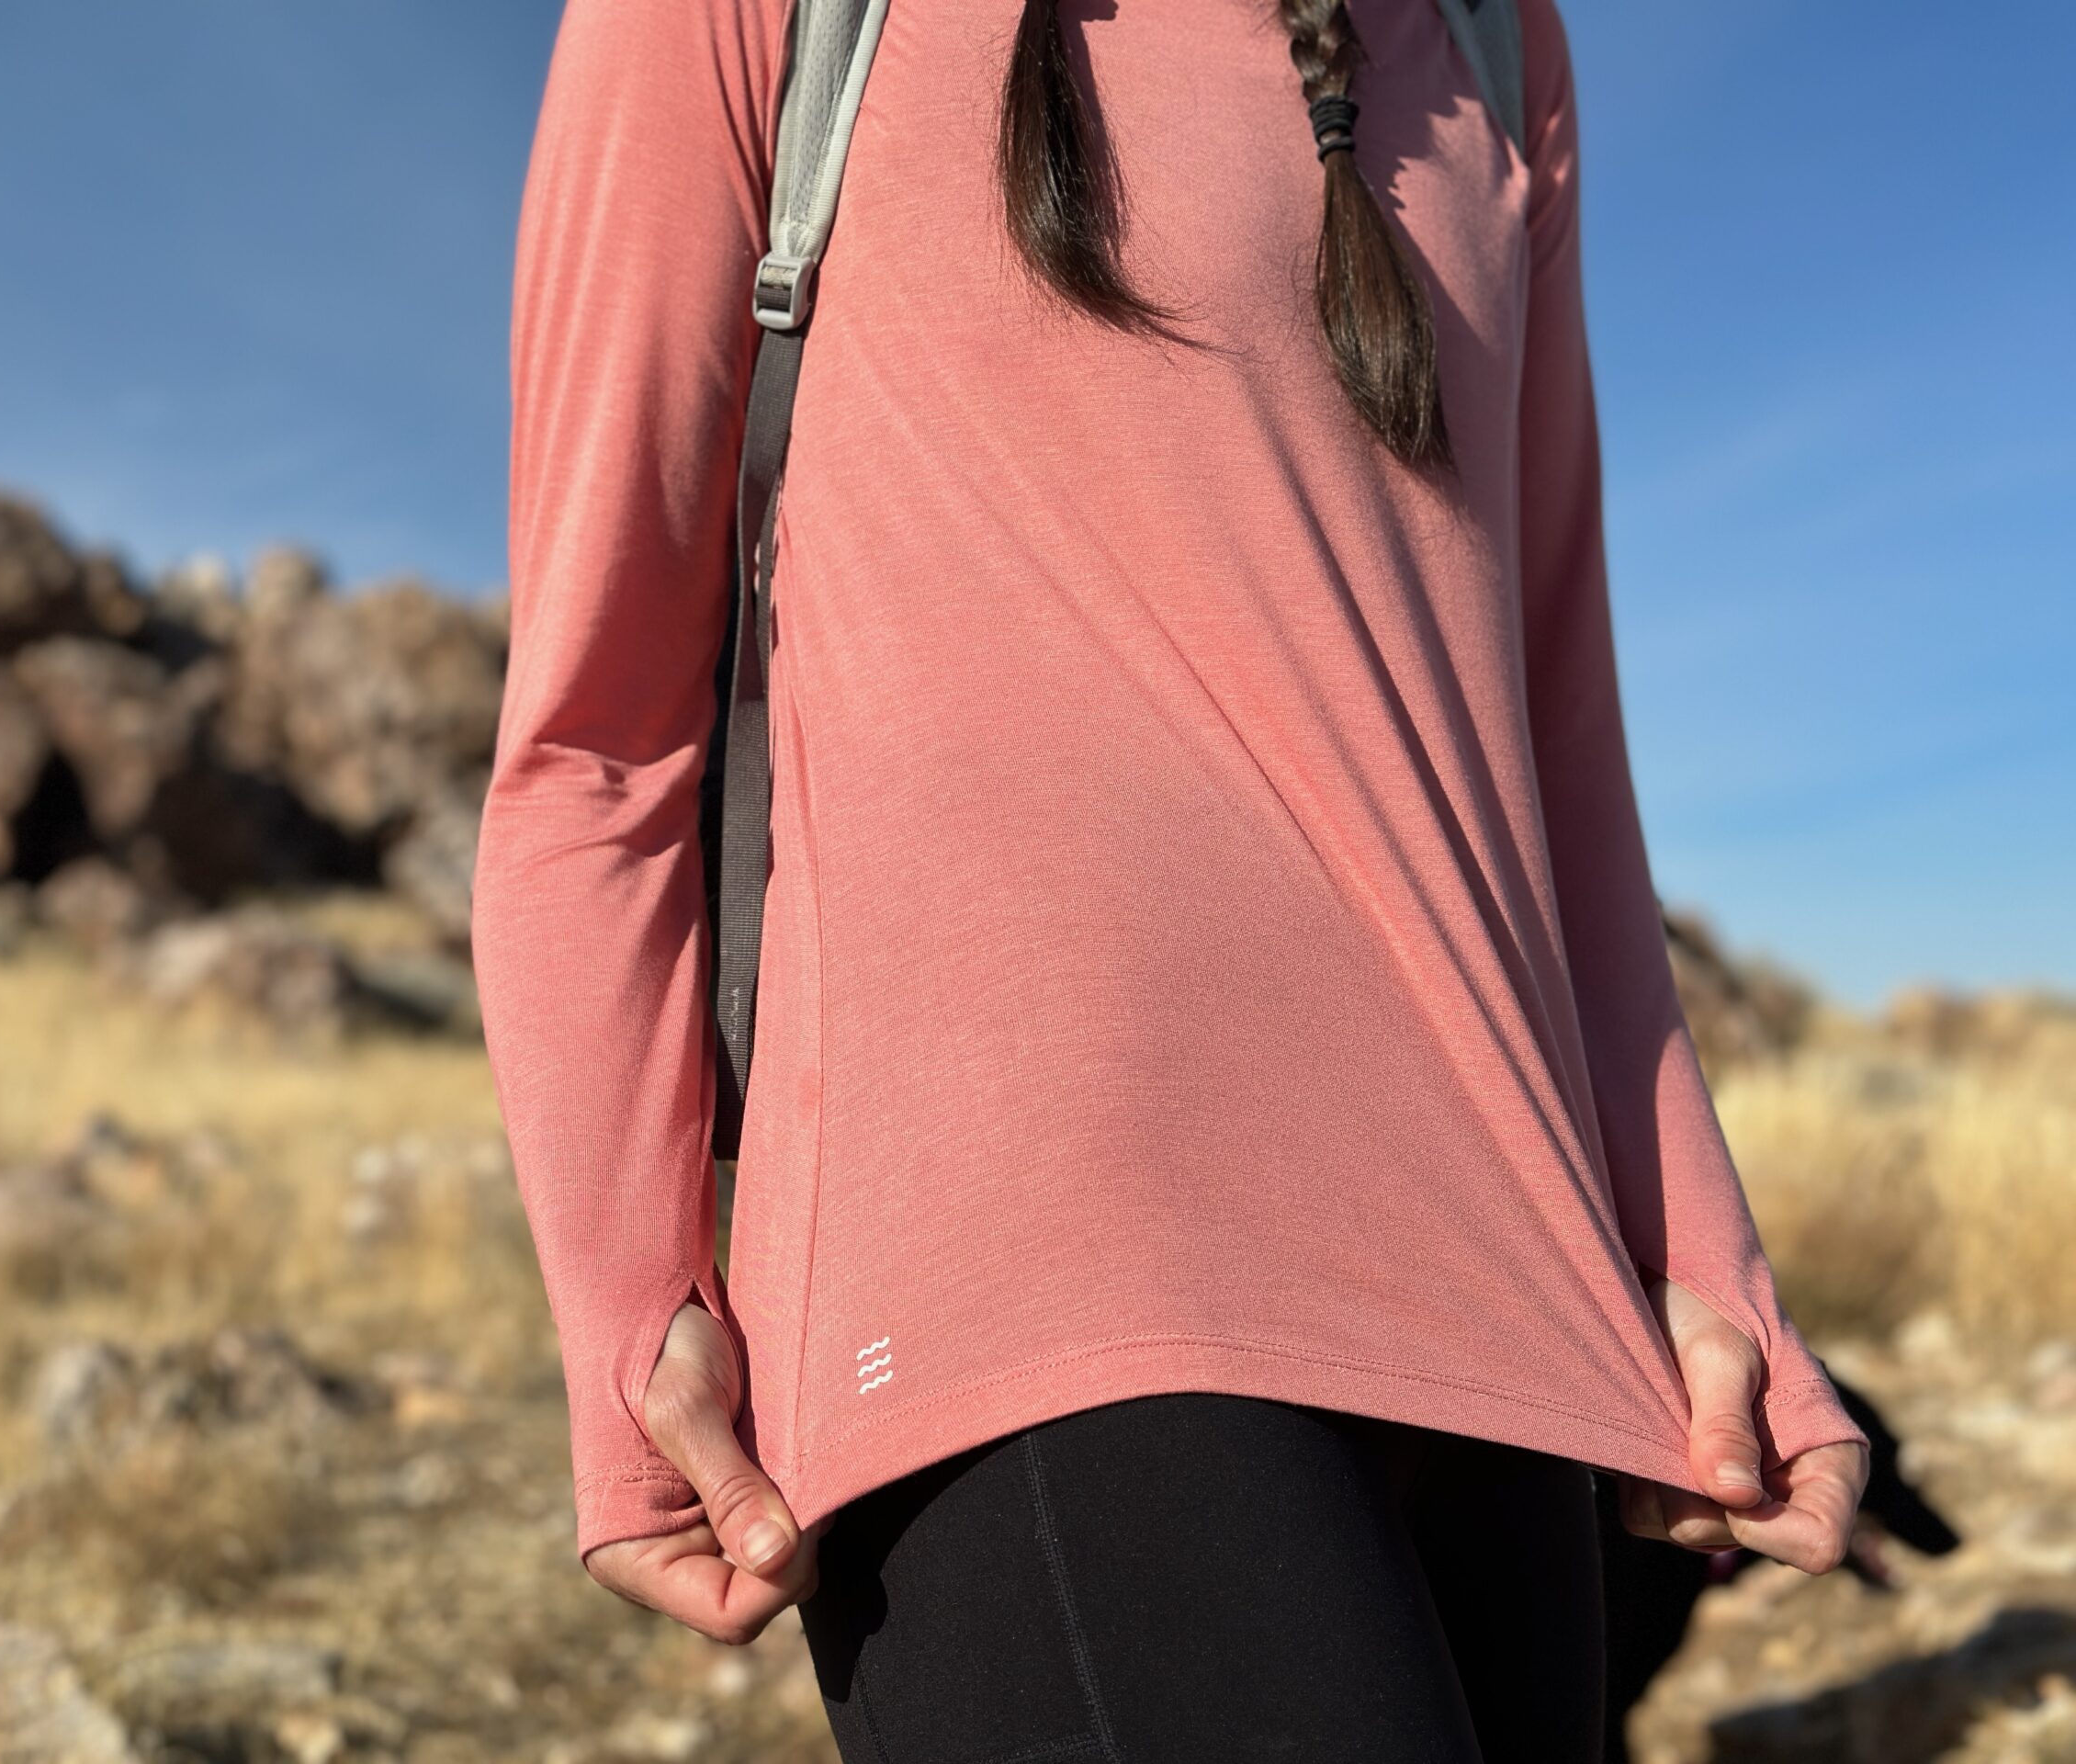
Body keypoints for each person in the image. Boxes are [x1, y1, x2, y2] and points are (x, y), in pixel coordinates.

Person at [473, 0, 1873, 1755]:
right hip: (1025, 1257)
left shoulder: (1498, 43)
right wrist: (628, 1297)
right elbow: (596, 736)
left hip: (1515, 1288)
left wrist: (1699, 1257)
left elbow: (1555, 747)